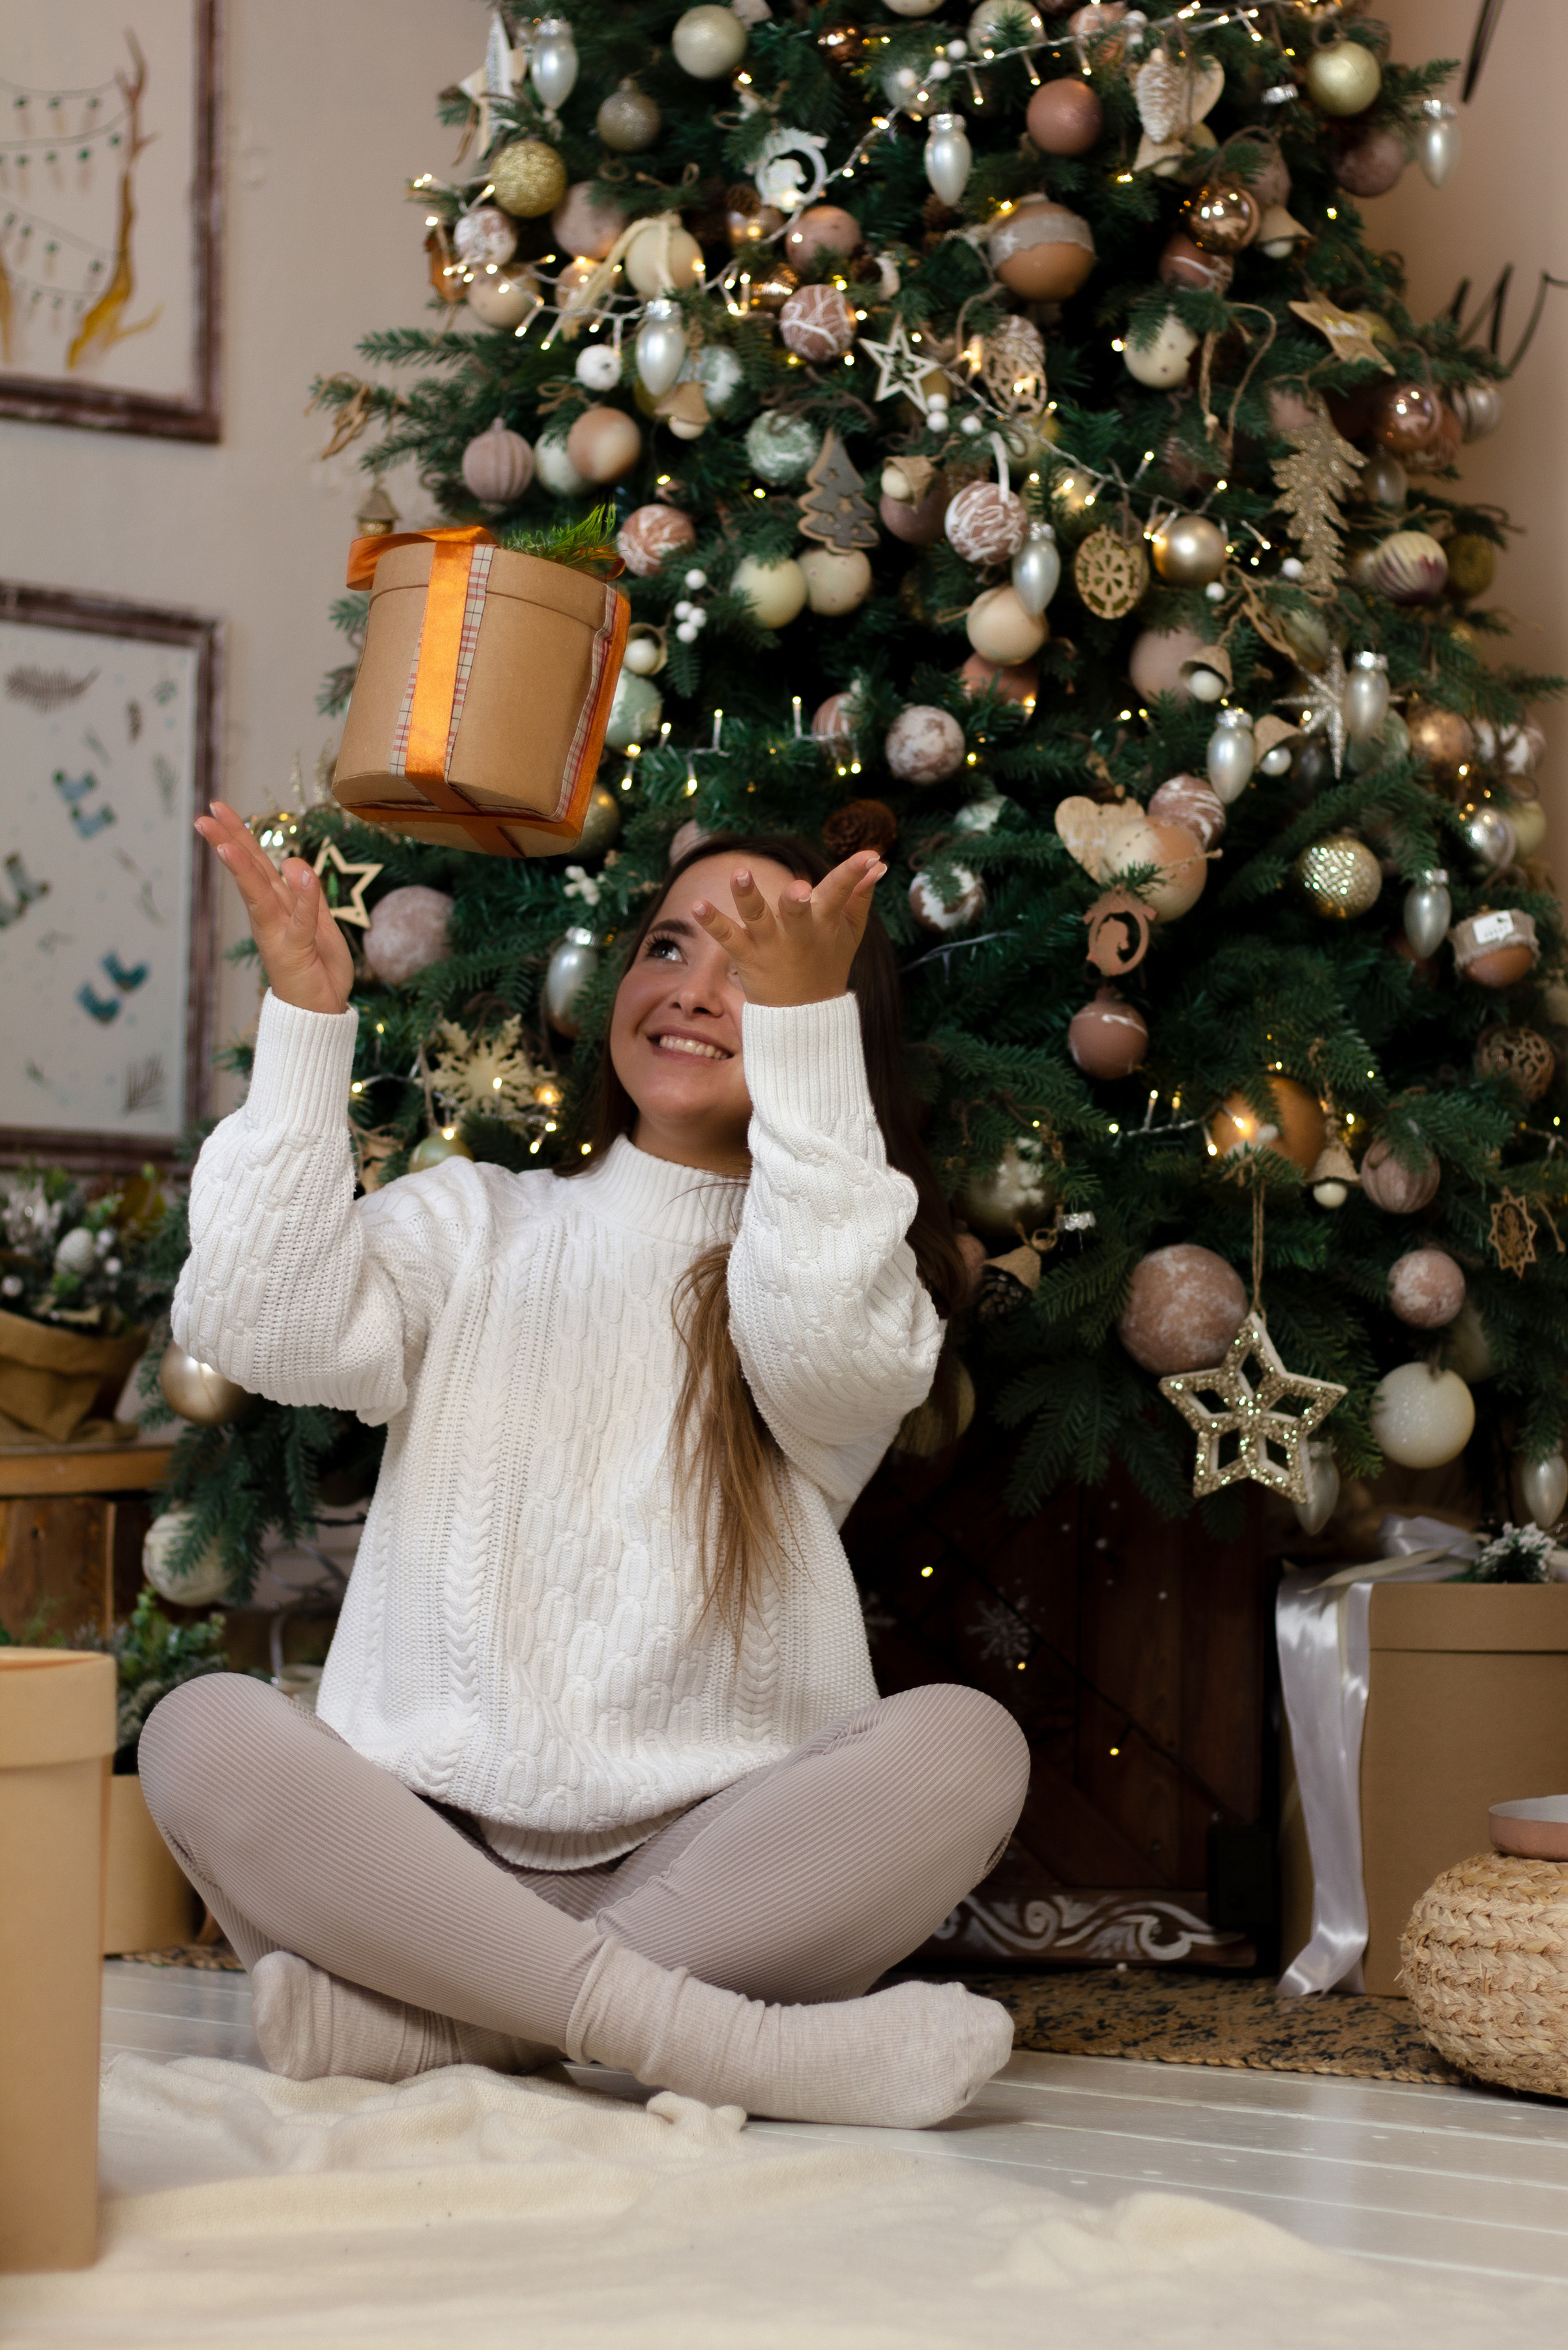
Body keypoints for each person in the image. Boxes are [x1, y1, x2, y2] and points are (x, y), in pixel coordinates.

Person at [139, 800, 1029, 2126]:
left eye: (754, 965)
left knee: (968, 1748)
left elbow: (832, 1354)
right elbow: (265, 1326)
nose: (692, 990)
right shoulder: (476, 1219)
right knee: (197, 1732)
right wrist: (307, 1025)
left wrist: (802, 1051)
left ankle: (455, 2026)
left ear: (824, 1024)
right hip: (420, 1859)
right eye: (669, 949)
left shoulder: (837, 1278)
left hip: (712, 1871)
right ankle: (710, 2045)